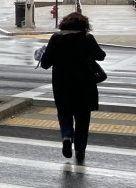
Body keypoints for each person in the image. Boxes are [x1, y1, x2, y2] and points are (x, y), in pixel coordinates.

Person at [39, 11, 106, 164]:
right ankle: (80, 151)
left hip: (62, 86)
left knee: (64, 114)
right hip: (85, 87)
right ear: (85, 25)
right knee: (83, 120)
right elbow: (101, 55)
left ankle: (67, 137)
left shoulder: (56, 38)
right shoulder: (87, 38)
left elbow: (45, 64)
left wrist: (44, 54)